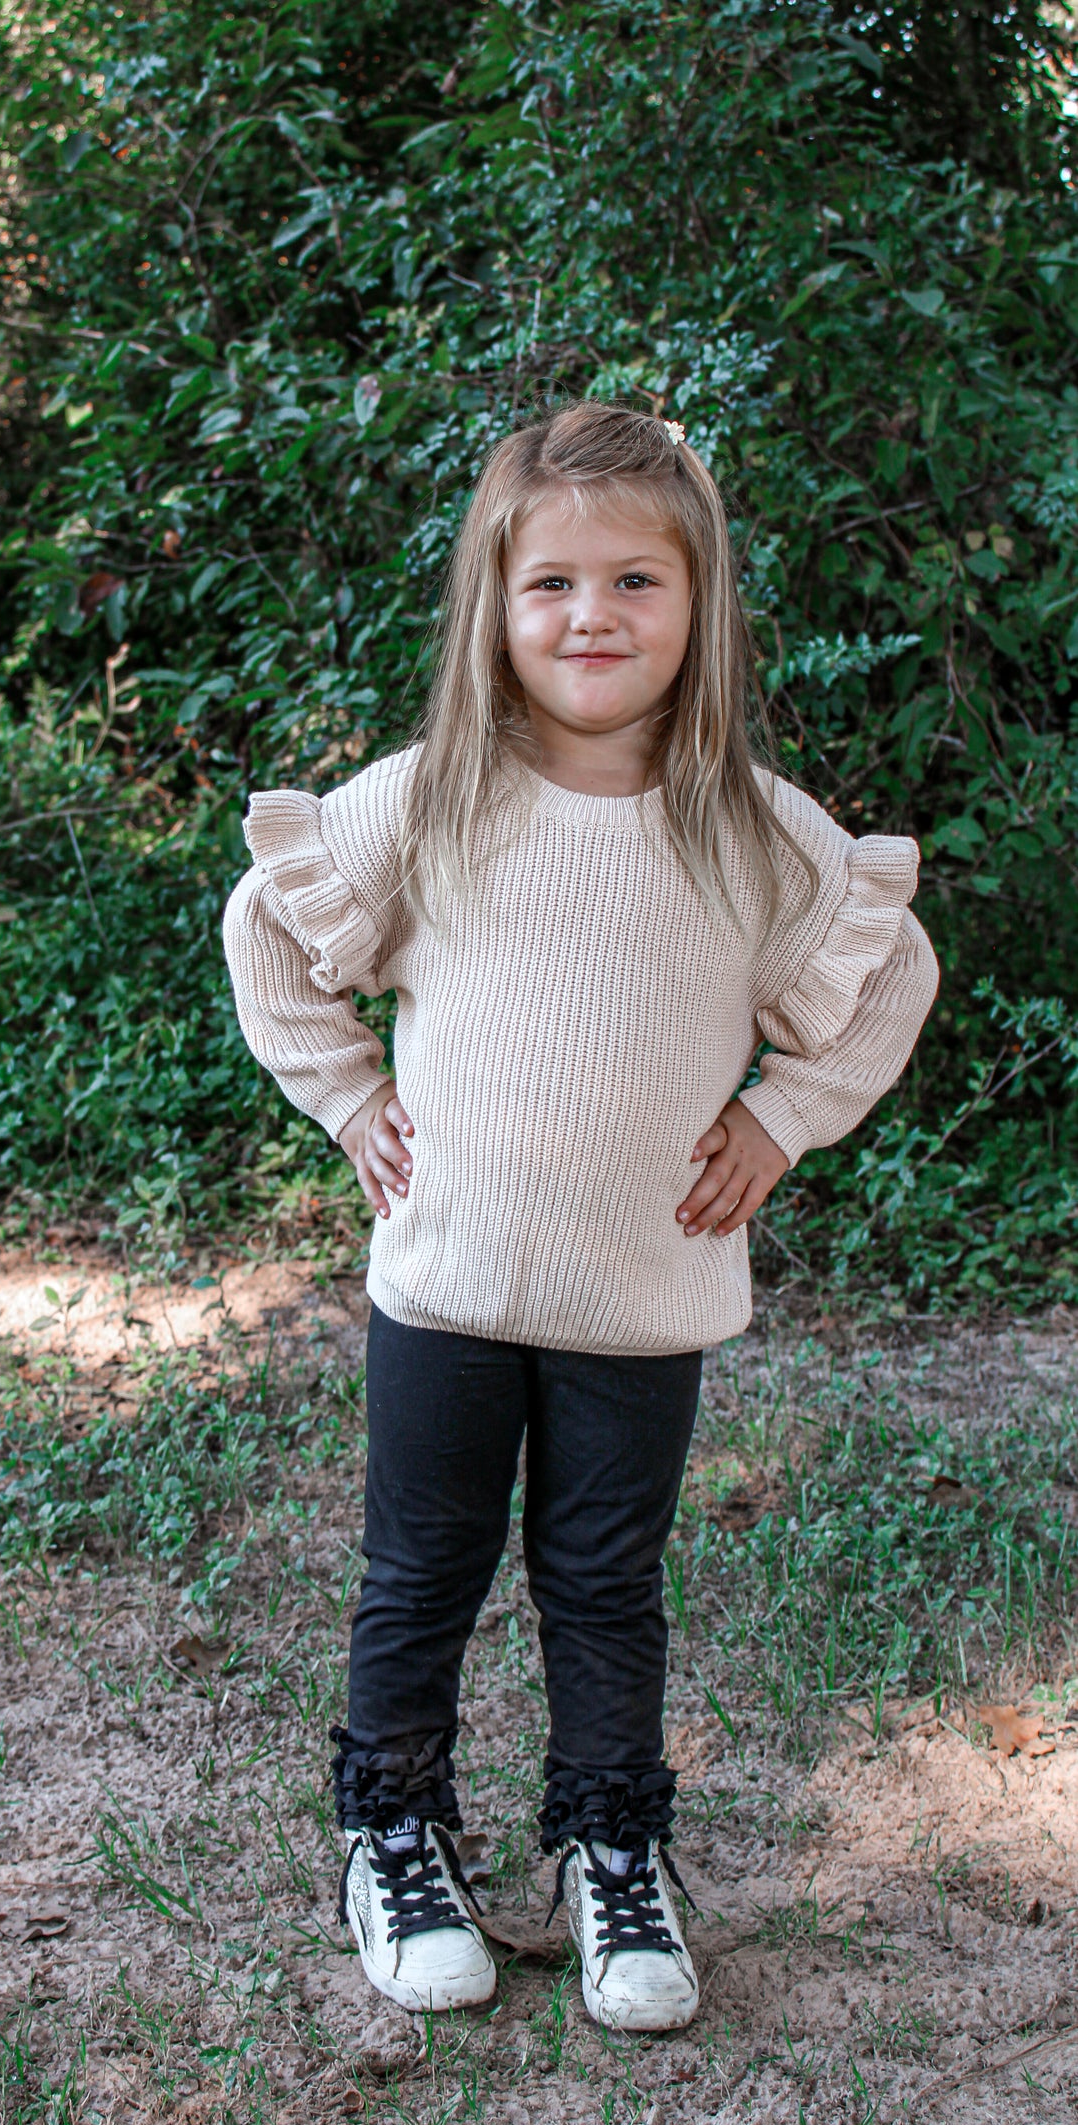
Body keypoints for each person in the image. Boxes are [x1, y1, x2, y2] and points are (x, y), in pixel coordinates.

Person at [222, 403, 938, 2030]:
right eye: (549, 582)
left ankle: (611, 1849)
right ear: (493, 601)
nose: (589, 616)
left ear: (697, 604)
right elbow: (266, 925)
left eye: (633, 581)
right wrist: (347, 1097)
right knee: (421, 1572)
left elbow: (890, 968)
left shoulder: (745, 827)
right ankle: (393, 1830)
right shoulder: (427, 802)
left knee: (606, 1580)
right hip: (448, 1286)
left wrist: (782, 1115)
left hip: (639, 1290)